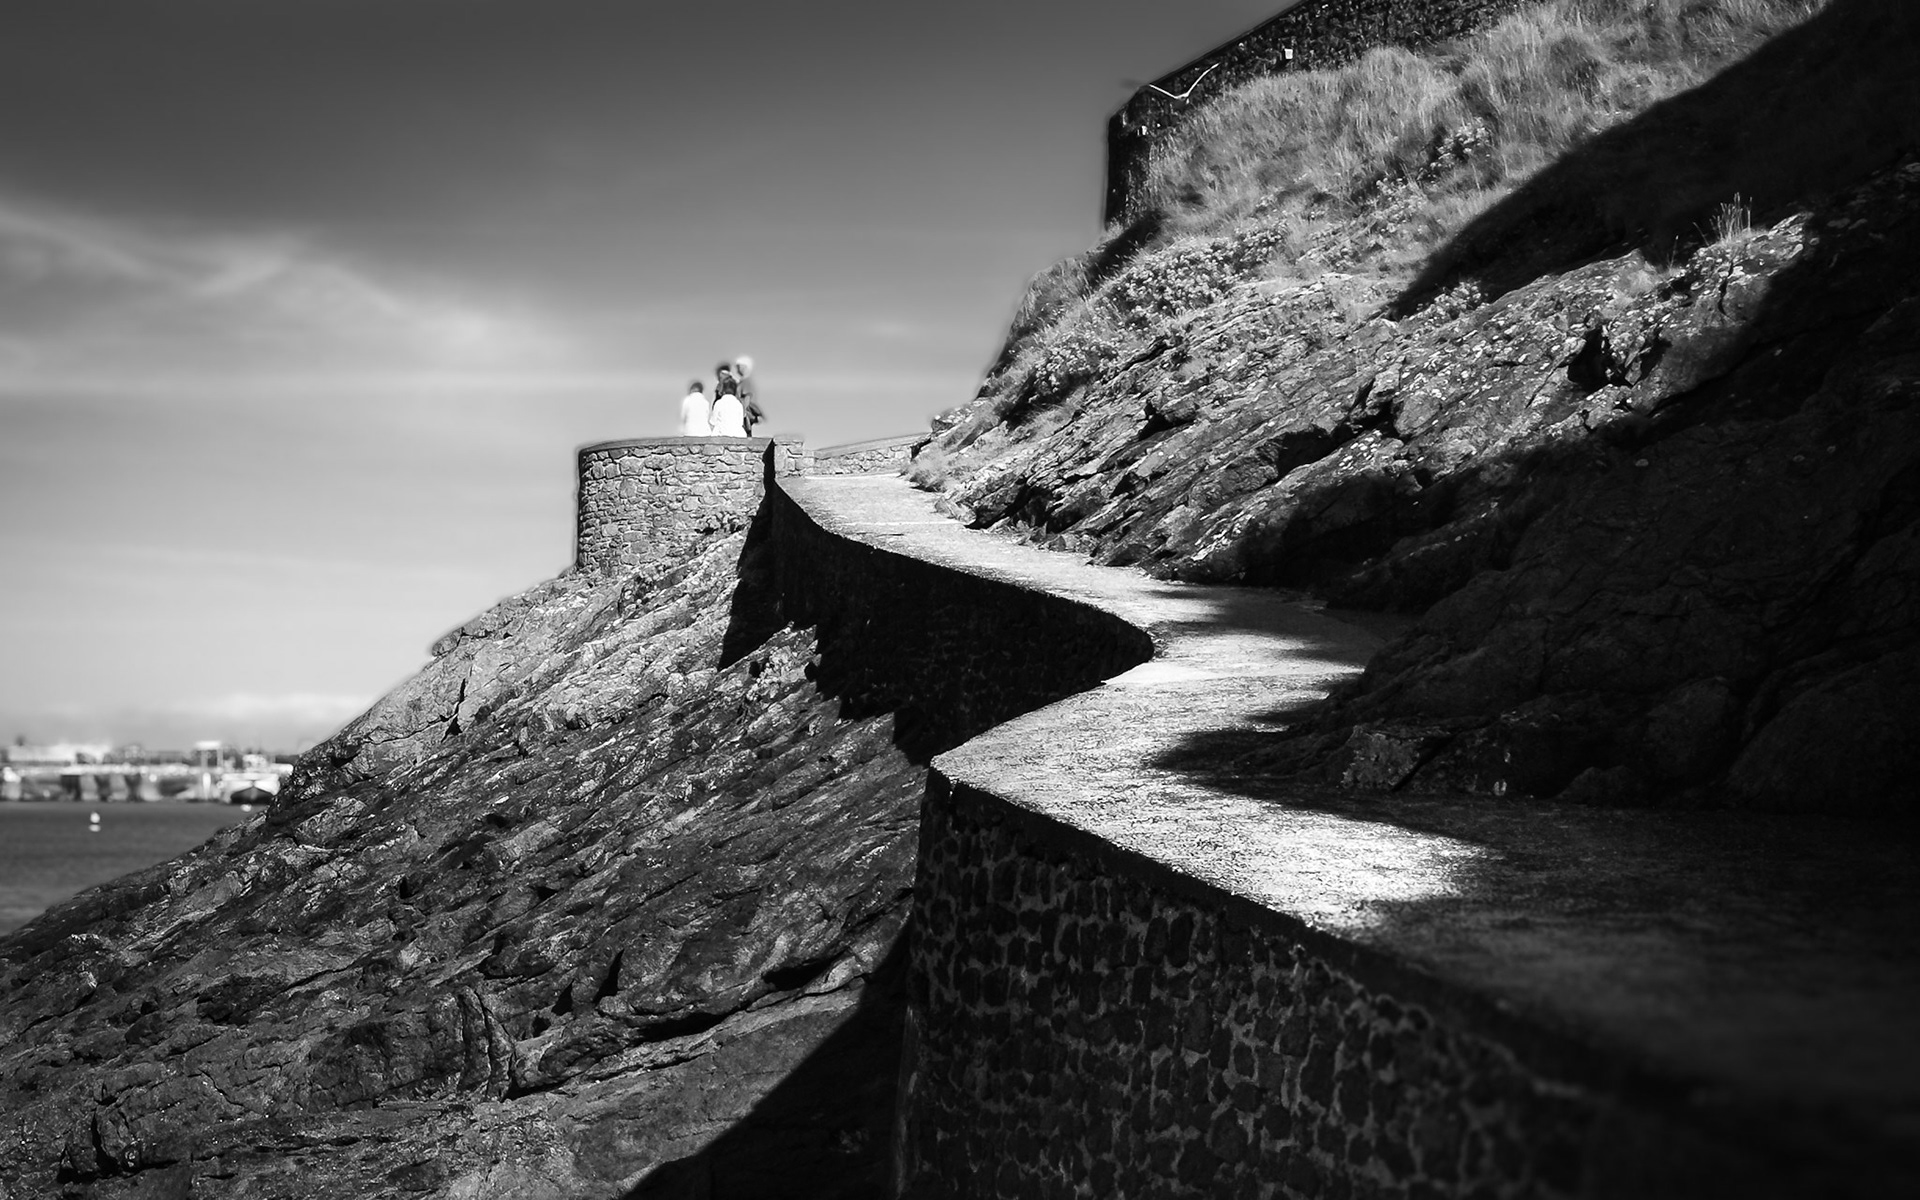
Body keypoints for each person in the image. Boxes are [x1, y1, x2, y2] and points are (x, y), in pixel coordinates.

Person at [734, 355, 765, 435]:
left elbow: (747, 397)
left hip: (744, 414)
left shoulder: (746, 381)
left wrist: (743, 414)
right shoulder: (743, 381)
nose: (737, 369)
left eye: (739, 367)